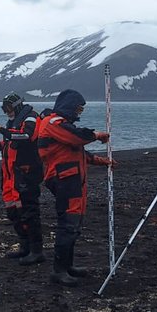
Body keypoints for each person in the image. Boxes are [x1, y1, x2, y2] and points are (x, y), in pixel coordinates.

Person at [36, 89, 112, 286]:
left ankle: (67, 266)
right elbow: (77, 137)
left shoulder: (63, 126)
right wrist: (96, 135)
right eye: (78, 108)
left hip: (73, 179)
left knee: (74, 224)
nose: (79, 112)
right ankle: (58, 270)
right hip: (63, 178)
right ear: (69, 106)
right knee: (68, 224)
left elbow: (77, 151)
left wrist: (102, 161)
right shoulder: (53, 123)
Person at [0, 91, 45, 265]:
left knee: (29, 211)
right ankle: (24, 245)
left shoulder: (31, 118)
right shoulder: (14, 122)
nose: (7, 112)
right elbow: (12, 143)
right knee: (13, 211)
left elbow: (26, 136)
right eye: (4, 108)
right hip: (10, 174)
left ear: (17, 105)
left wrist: (1, 130)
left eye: (9, 108)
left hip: (26, 172)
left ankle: (36, 250)